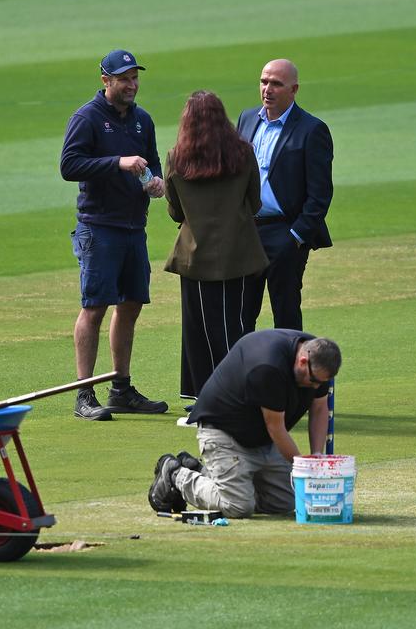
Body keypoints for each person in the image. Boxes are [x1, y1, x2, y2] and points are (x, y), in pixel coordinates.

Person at [59, 49, 169, 421]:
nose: (132, 85)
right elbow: (69, 165)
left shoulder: (142, 120)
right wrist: (118, 163)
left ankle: (120, 389)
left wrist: (155, 181)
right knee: (95, 307)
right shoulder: (87, 117)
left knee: (131, 304)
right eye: (124, 79)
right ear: (106, 81)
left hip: (134, 227)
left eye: (135, 78)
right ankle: (84, 393)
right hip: (99, 227)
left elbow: (152, 160)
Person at [148, 329, 341, 518]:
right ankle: (175, 474)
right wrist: (305, 469)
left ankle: (203, 473)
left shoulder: (319, 359)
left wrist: (317, 455)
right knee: (238, 507)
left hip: (261, 437)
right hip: (224, 431)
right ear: (302, 361)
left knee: (284, 502)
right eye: (313, 381)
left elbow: (319, 408)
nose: (316, 386)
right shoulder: (269, 367)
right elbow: (276, 428)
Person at [163, 90, 268, 408]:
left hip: (193, 256)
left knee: (196, 329)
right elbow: (255, 203)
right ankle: (237, 394)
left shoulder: (176, 158)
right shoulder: (243, 153)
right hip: (237, 254)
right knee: (233, 326)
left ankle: (203, 396)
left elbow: (175, 212)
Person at [236, 59, 334, 331]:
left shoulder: (312, 129)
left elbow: (320, 193)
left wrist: (296, 237)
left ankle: (291, 361)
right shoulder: (246, 119)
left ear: (294, 89)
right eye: (263, 81)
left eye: (276, 84)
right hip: (248, 231)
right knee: (241, 314)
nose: (267, 89)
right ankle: (243, 361)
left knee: (286, 314)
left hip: (285, 232)